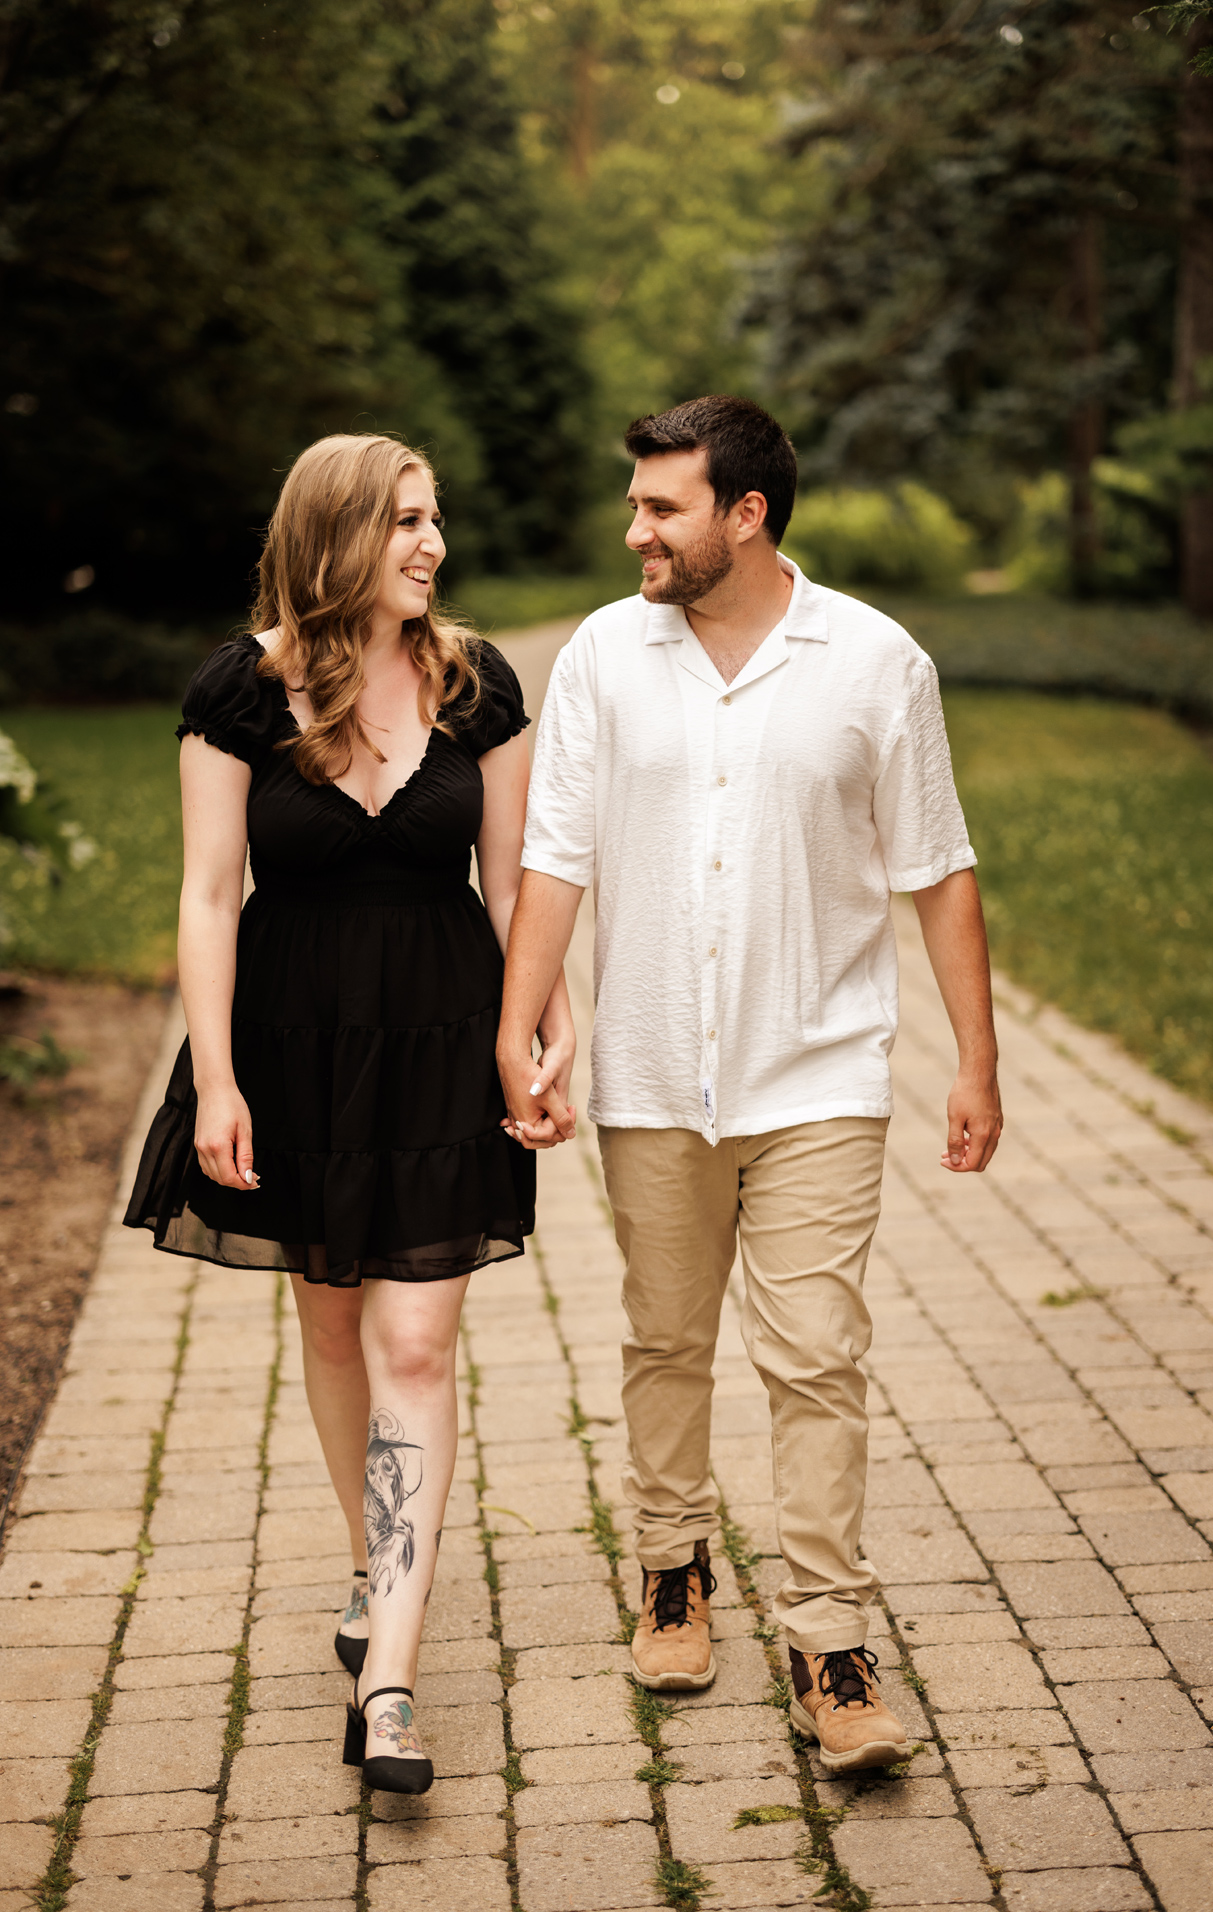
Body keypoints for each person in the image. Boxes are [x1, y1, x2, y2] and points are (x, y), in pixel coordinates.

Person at [495, 394, 1001, 1775]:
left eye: (662, 506)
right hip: (654, 1066)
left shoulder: (878, 665)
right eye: (639, 503)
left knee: (817, 1357)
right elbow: (558, 854)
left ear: (746, 514)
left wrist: (979, 1060)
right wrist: (520, 1018)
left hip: (820, 1071)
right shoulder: (606, 654)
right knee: (666, 1340)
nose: (635, 528)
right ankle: (674, 1568)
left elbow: (938, 869)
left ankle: (829, 1642)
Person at [124, 434, 577, 1796]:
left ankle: (390, 1675)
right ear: (333, 535)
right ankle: (374, 1564)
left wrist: (554, 1030)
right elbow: (211, 895)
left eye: (436, 519)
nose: (432, 545)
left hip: (442, 1036)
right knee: (331, 1317)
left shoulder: (478, 684)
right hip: (295, 1039)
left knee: (417, 1341)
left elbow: (519, 885)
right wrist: (215, 1076)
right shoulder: (241, 690)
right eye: (404, 522)